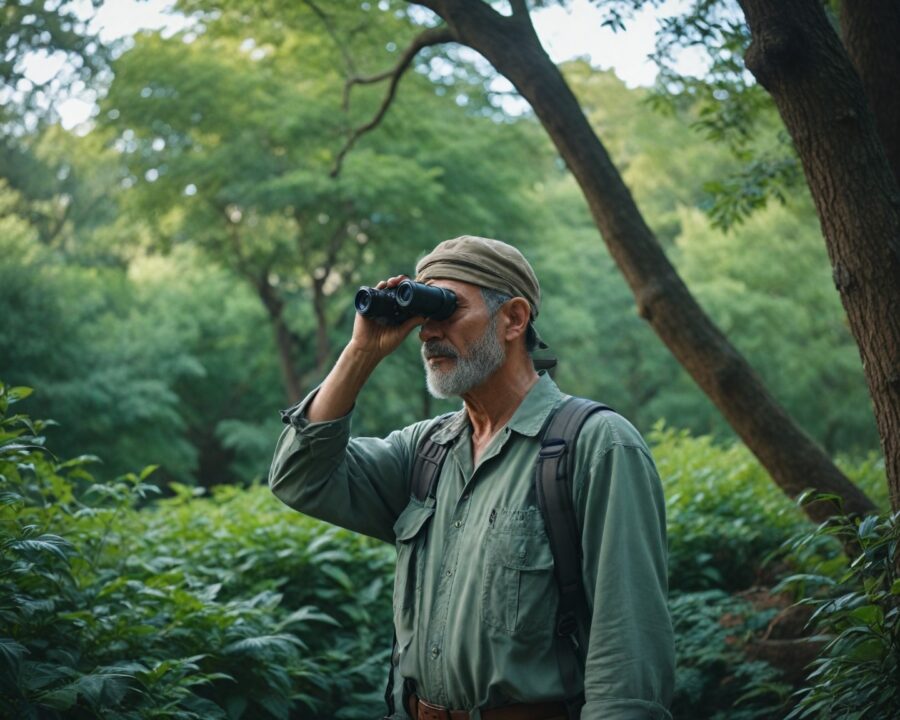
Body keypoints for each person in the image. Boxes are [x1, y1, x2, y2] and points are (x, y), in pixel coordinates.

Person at [269, 236, 674, 719]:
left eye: (447, 309)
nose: (426, 333)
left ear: (514, 319)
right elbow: (299, 477)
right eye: (421, 315)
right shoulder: (426, 451)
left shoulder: (595, 445)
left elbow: (628, 652)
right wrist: (362, 351)